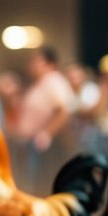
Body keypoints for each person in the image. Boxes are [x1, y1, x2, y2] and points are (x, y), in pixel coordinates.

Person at [14, 46, 75, 193]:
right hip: (32, 143)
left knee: (42, 185)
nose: (32, 64)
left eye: (37, 61)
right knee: (31, 184)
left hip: (45, 146)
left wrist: (46, 134)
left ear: (50, 63)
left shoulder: (54, 81)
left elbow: (63, 111)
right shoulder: (39, 83)